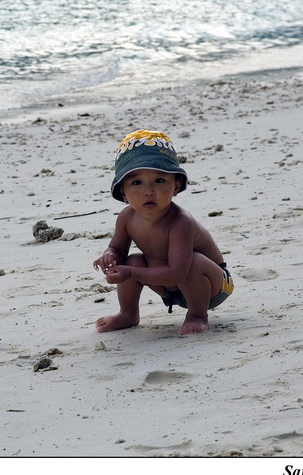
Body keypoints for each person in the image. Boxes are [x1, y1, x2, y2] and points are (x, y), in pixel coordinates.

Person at [93, 130, 234, 335]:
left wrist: (130, 273)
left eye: (159, 180)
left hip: (210, 286)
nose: (148, 191)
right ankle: (128, 314)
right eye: (136, 182)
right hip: (167, 285)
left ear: (176, 186)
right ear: (123, 192)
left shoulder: (180, 222)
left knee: (193, 261)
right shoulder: (126, 217)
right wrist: (110, 256)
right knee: (132, 261)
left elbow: (178, 272)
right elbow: (118, 248)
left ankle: (197, 315)